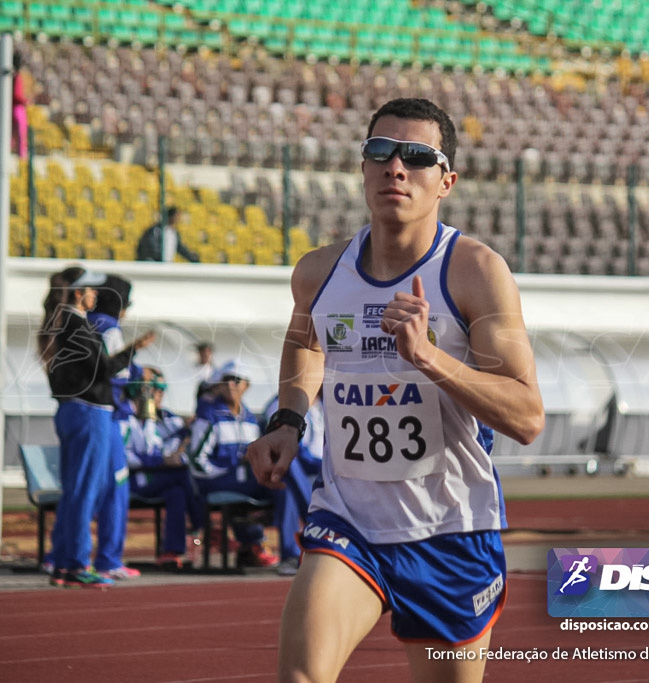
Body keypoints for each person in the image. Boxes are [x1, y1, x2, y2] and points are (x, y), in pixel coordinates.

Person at [246, 98, 544, 681]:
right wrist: (288, 420)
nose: (395, 167)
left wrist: (428, 357)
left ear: (446, 181)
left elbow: (527, 416)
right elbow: (307, 343)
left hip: (449, 529)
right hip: (348, 519)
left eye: (416, 156)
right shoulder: (318, 272)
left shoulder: (474, 272)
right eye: (380, 152)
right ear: (363, 168)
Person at [36, 266, 155, 588]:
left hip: (76, 411)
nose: (96, 296)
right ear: (79, 293)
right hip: (91, 413)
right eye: (91, 290)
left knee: (77, 491)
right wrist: (135, 349)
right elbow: (105, 369)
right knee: (85, 492)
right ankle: (75, 564)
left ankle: (63, 563)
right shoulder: (77, 325)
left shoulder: (67, 324)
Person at [187, 360, 293, 569]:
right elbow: (196, 461)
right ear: (218, 385)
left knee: (284, 486)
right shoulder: (208, 417)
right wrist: (232, 470)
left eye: (236, 380)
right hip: (216, 480)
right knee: (279, 483)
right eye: (226, 380)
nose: (231, 385)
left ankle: (275, 546)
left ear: (247, 385)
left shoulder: (251, 419)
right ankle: (262, 540)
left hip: (244, 479)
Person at [86, 273, 143, 580]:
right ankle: (108, 558)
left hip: (85, 412)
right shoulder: (109, 329)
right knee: (115, 491)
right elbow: (117, 376)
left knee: (84, 489)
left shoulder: (85, 323)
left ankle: (64, 555)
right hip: (110, 417)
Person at [120, 367, 204, 567]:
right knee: (184, 478)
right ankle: (201, 527)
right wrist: (159, 461)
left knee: (177, 493)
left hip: (156, 477)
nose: (159, 395)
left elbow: (163, 448)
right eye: (155, 389)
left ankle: (172, 551)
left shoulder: (160, 418)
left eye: (160, 390)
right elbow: (123, 455)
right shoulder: (123, 418)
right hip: (131, 479)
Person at [261, 394, 324, 576]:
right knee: (287, 478)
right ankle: (292, 554)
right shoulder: (281, 405)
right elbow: (292, 450)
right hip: (287, 472)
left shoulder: (324, 403)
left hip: (317, 471)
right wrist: (325, 466)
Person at [135, 206, 200, 263]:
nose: (178, 219)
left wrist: (191, 257)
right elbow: (150, 245)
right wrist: (157, 258)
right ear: (171, 216)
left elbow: (180, 248)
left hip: (167, 264)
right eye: (176, 216)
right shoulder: (157, 230)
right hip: (155, 264)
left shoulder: (174, 233)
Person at [11, 53, 29, 160]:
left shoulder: (11, 76)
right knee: (20, 131)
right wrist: (25, 100)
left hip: (10, 107)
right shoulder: (16, 77)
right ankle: (21, 154)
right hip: (17, 107)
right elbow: (17, 94)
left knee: (12, 130)